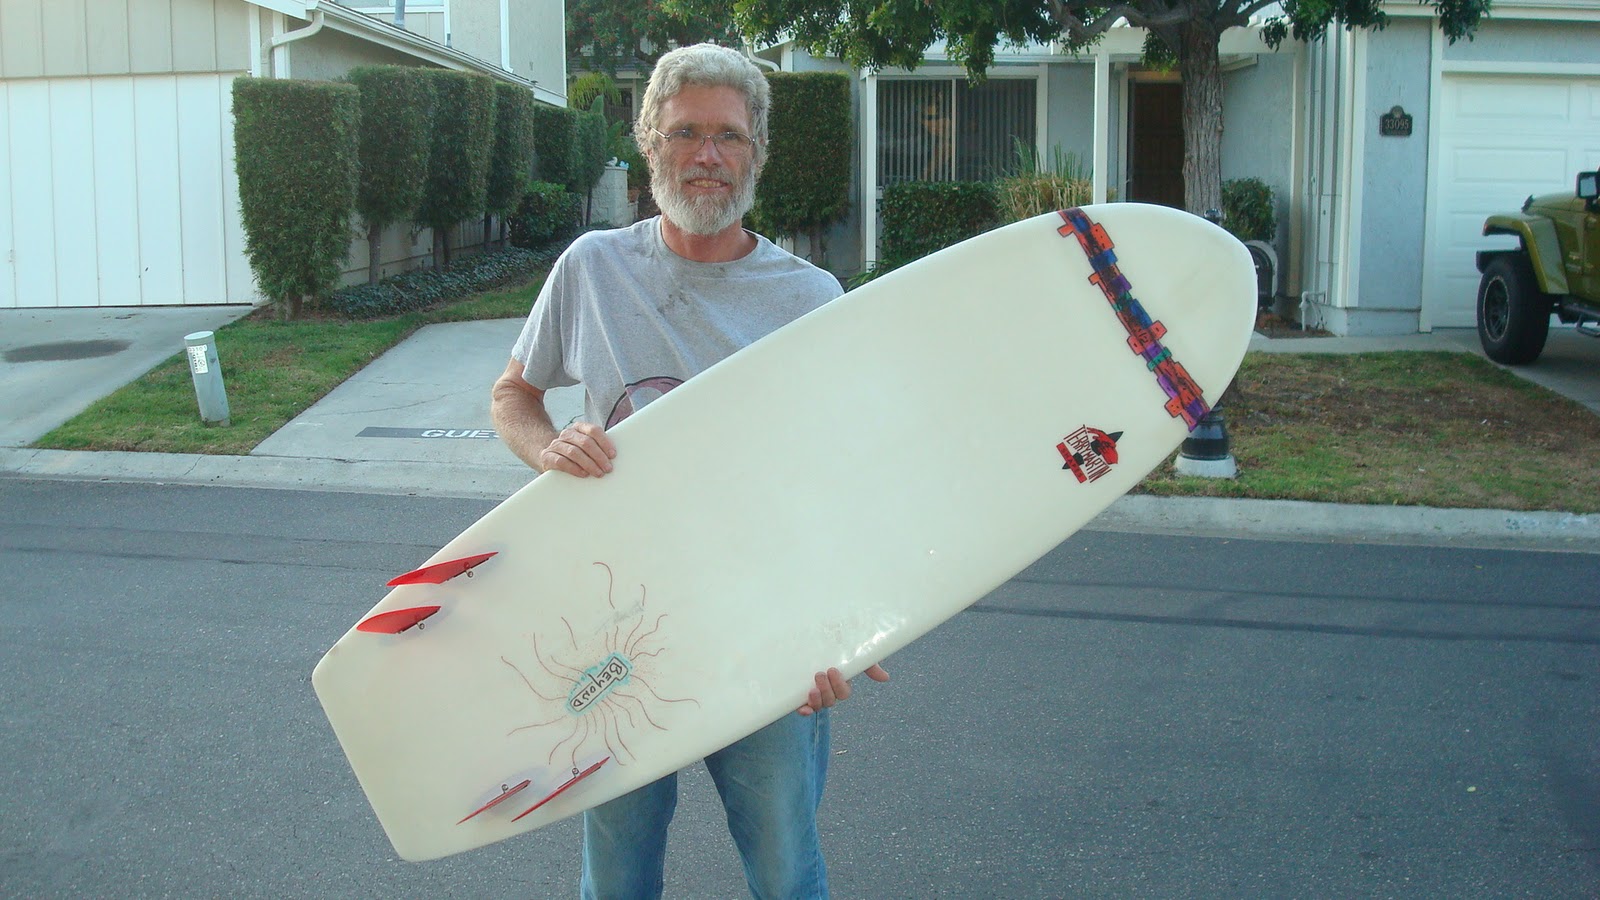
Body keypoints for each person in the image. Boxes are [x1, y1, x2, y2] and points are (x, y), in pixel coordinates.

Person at [490, 43, 889, 900]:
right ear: (650, 146)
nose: (708, 156)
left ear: (756, 152)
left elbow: (844, 484)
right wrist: (546, 446)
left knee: (787, 869)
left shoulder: (812, 299)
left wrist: (839, 632)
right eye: (685, 134)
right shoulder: (592, 269)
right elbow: (513, 397)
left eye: (729, 137)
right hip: (614, 628)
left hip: (763, 622)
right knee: (618, 874)